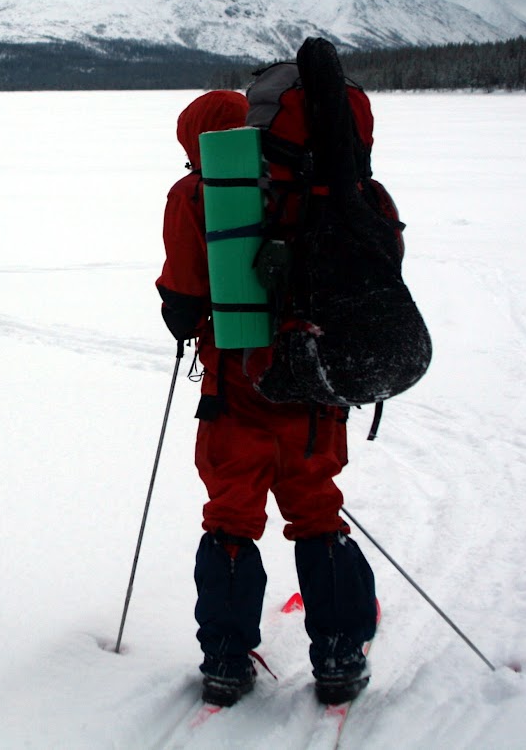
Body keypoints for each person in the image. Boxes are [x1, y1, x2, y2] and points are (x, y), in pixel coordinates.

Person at [156, 89, 378, 709]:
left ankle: (225, 662)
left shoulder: (196, 193)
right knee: (315, 510)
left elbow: (181, 301)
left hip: (237, 381)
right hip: (314, 380)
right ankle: (339, 655)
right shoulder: (329, 186)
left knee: (231, 515)